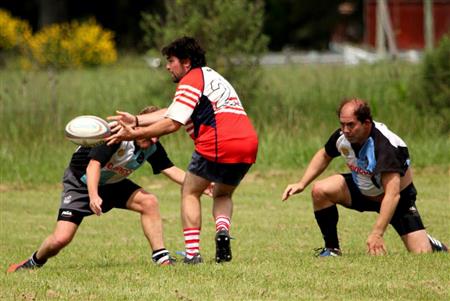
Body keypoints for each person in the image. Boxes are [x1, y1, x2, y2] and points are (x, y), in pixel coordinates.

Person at [106, 36, 259, 264]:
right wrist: (137, 119)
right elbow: (172, 111)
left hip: (218, 142)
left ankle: (192, 253)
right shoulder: (211, 76)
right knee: (223, 193)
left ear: (186, 62)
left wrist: (134, 133)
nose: (168, 66)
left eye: (171, 61)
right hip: (247, 143)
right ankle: (222, 230)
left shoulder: (191, 79)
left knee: (190, 191)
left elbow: (172, 123)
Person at [7, 106, 203, 272]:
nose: (153, 140)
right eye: (150, 133)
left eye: (157, 135)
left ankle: (161, 258)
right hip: (81, 184)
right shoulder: (116, 137)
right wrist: (93, 195)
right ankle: (32, 262)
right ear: (137, 127)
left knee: (149, 201)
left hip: (112, 184)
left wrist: (201, 185)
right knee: (61, 239)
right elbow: (93, 165)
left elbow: (169, 169)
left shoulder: (151, 144)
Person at [282, 98, 448, 256]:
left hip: (395, 200)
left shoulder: (385, 146)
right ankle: (332, 249)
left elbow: (392, 194)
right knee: (320, 190)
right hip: (362, 189)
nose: (345, 130)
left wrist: (377, 233)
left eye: (351, 125)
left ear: (366, 123)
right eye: (342, 124)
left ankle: (431, 243)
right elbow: (325, 154)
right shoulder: (343, 136)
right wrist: (302, 183)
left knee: (421, 253)